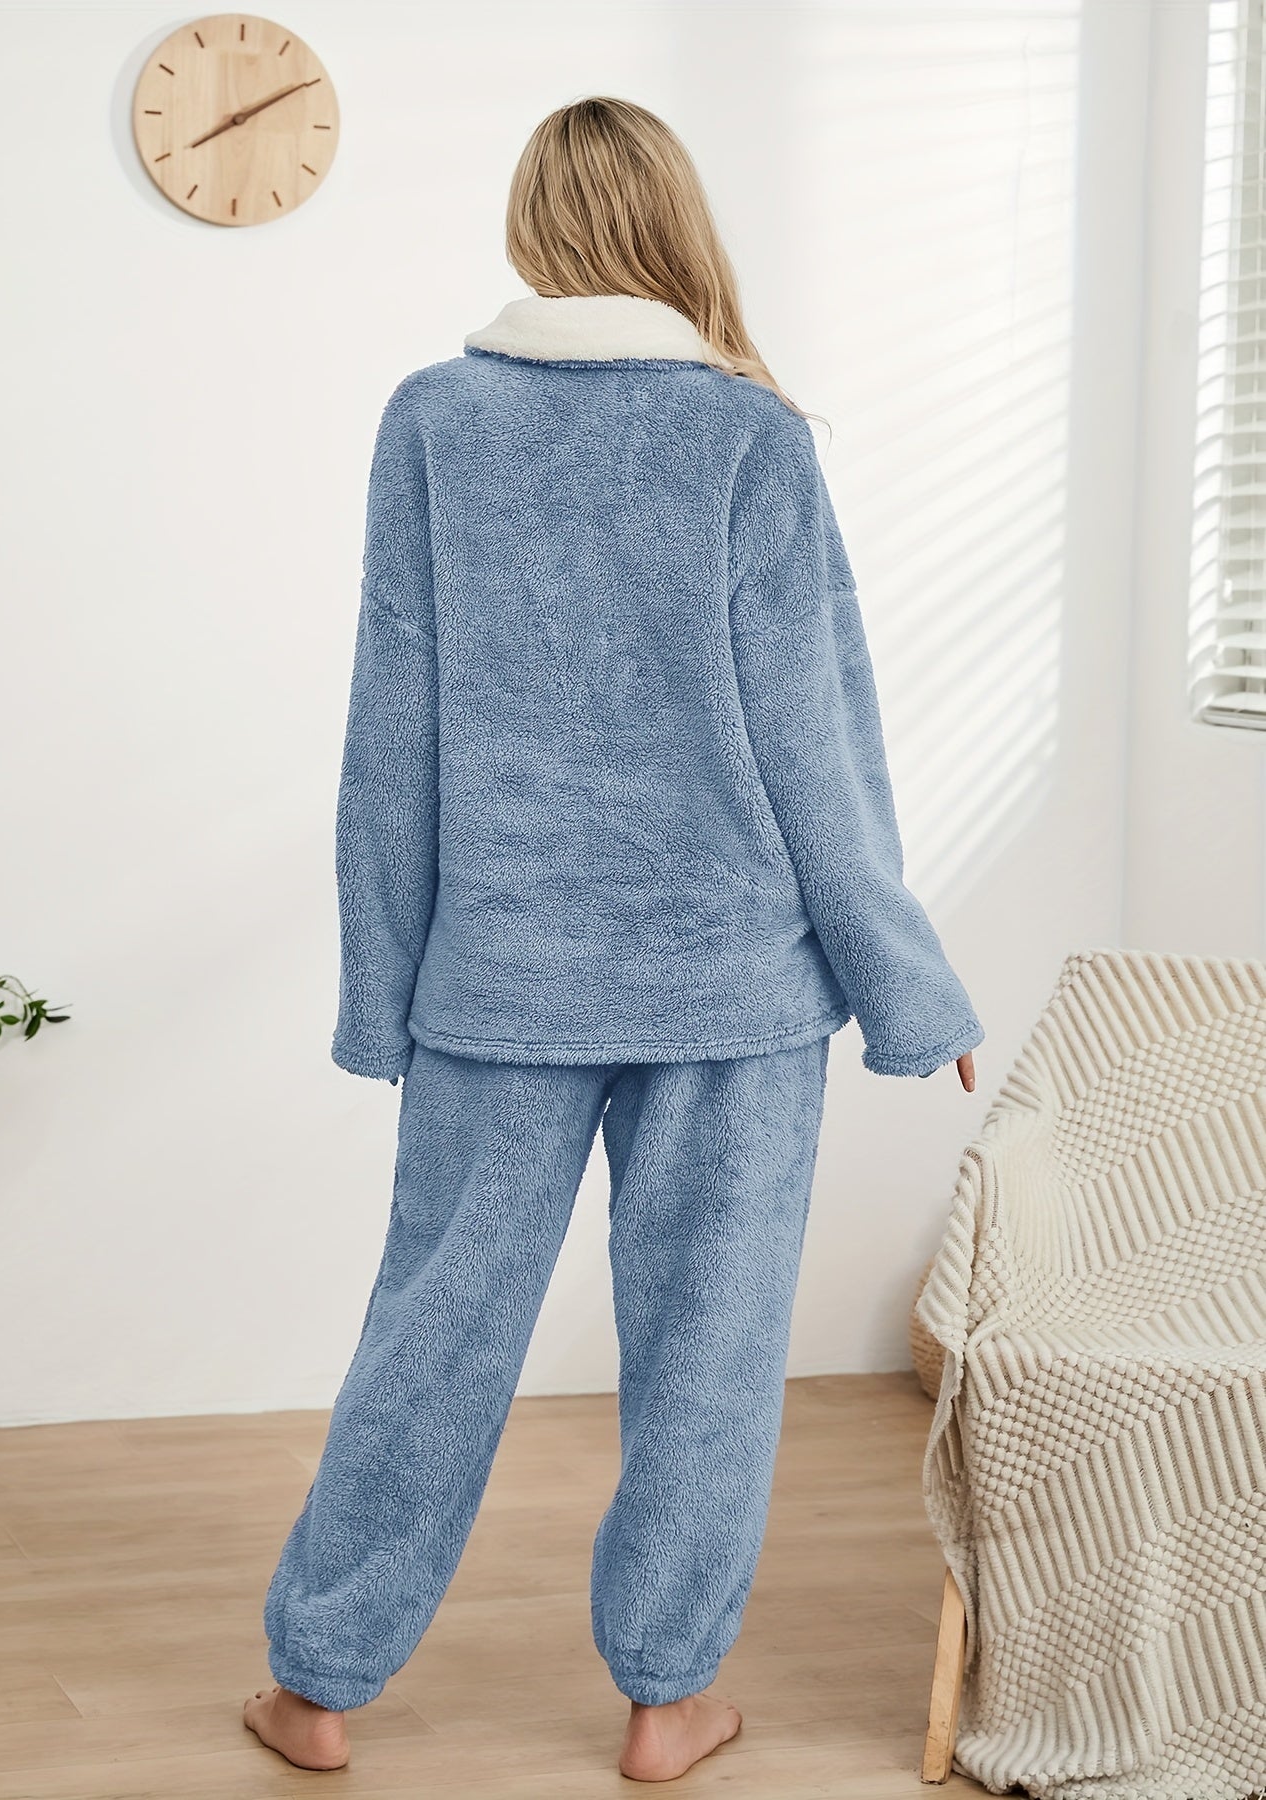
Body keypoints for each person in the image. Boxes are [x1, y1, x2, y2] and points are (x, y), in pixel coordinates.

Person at [243, 95, 982, 1783]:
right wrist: (908, 987)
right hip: (732, 989)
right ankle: (665, 1701)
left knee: (432, 1333)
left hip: (496, 983)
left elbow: (391, 732)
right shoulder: (749, 436)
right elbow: (817, 747)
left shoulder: (434, 421)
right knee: (710, 1353)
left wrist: (380, 995)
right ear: (673, 225)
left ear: (532, 225)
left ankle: (318, 1687)